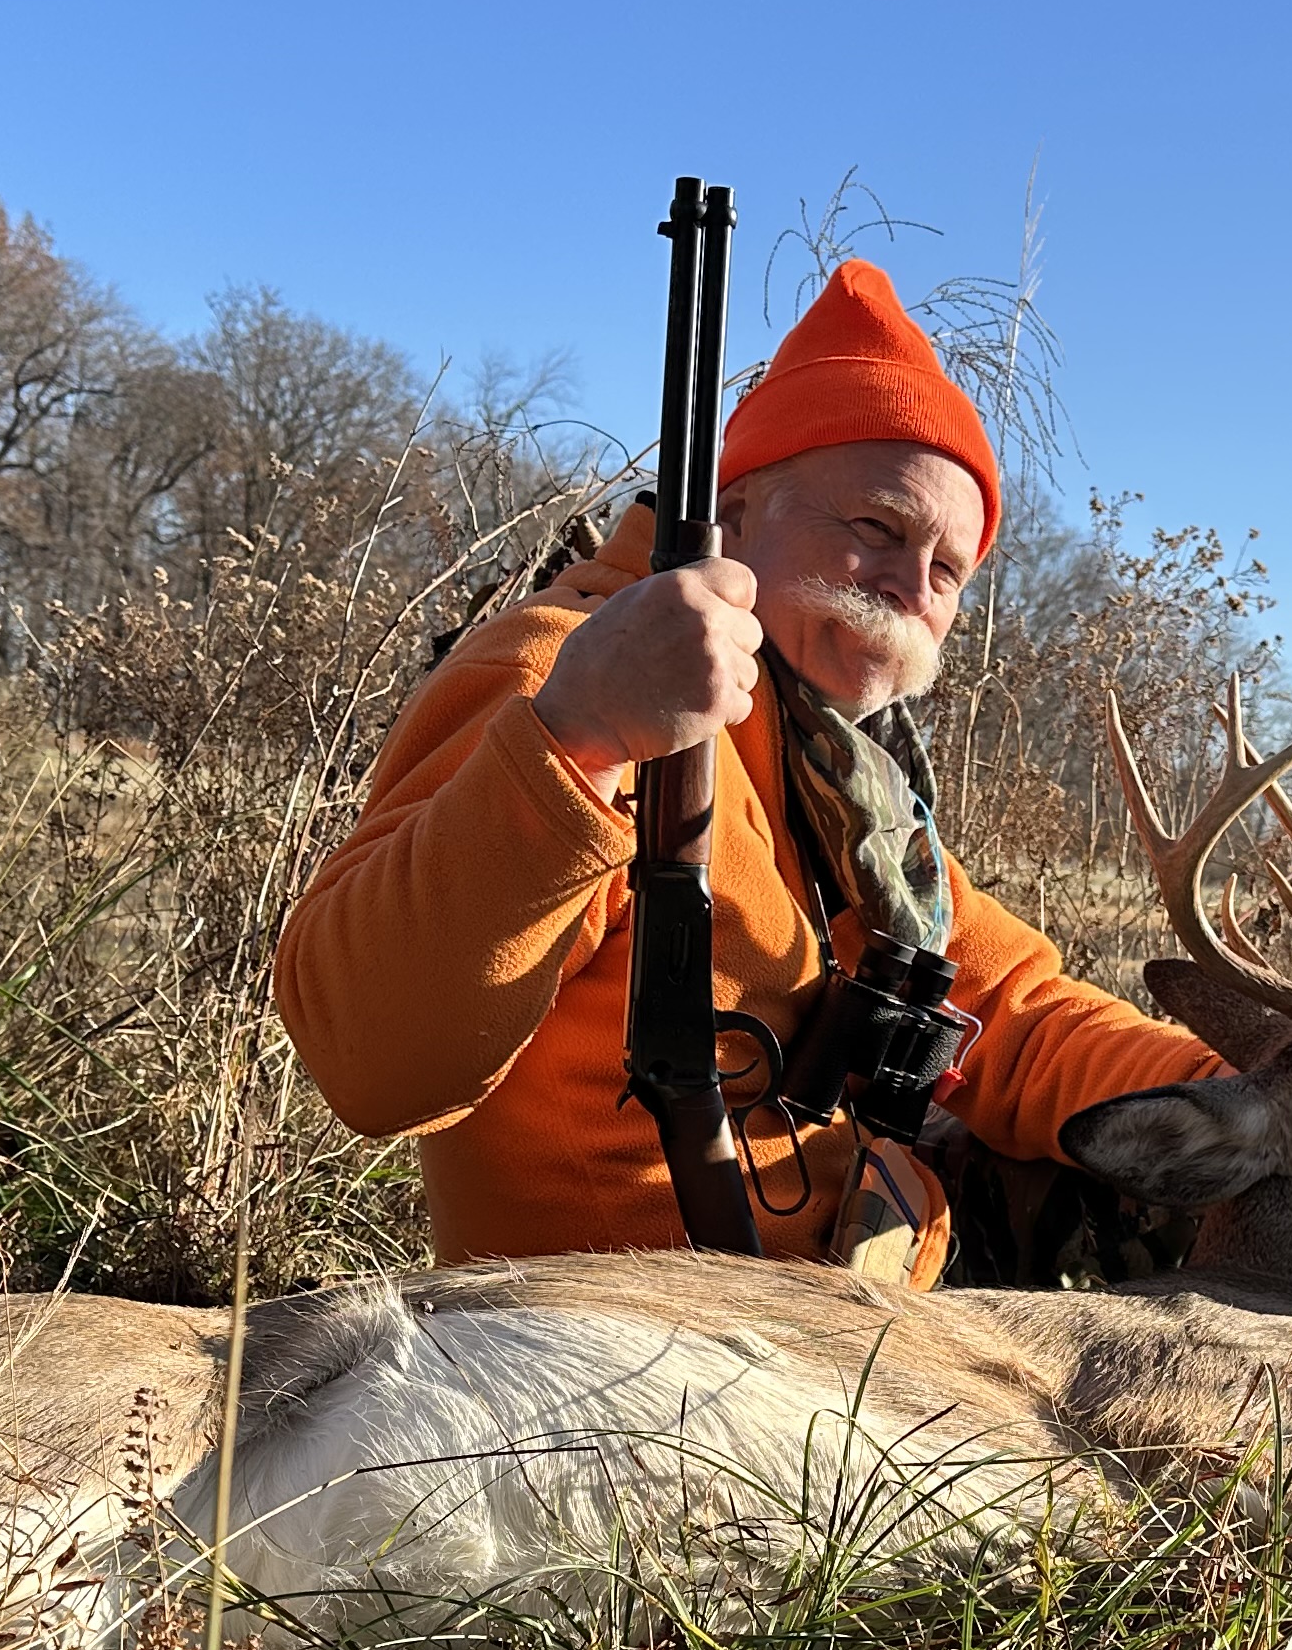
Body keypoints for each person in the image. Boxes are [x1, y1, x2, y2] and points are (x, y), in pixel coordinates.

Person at [272, 261, 1214, 1280]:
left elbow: (1016, 1016)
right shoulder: (564, 668)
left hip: (840, 1294)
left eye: (947, 569)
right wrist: (578, 740)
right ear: (737, 510)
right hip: (611, 1334)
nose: (911, 584)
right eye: (877, 528)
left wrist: (1262, 1084)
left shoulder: (844, 779)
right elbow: (371, 1061)